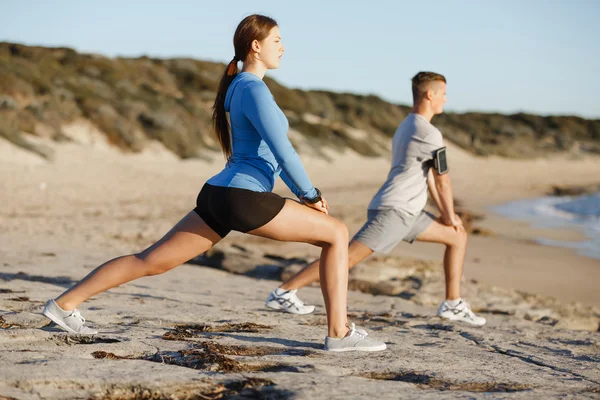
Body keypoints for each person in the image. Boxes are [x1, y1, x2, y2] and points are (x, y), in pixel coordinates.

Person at [42, 14, 387, 352]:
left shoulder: (238, 86)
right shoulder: (254, 89)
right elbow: (284, 151)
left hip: (218, 195)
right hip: (242, 197)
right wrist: (309, 194)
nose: (283, 47)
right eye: (277, 40)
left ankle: (64, 304)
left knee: (151, 261)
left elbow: (269, 151)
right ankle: (339, 333)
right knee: (338, 233)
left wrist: (304, 195)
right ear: (256, 46)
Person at [265, 72, 486, 326]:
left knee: (457, 236)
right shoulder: (429, 133)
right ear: (430, 94)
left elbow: (428, 177)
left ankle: (452, 304)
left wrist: (448, 217)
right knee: (344, 258)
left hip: (409, 212)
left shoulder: (407, 126)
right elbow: (442, 180)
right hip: (394, 212)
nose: (446, 99)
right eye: (443, 94)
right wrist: (448, 214)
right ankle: (284, 291)